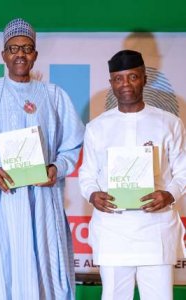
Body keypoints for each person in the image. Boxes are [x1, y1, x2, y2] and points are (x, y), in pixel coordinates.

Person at [0, 18, 84, 299]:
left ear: (35, 54)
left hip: (41, 201)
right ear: (3, 55)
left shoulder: (55, 96)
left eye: (27, 48)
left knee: (43, 265)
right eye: (13, 48)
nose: (20, 54)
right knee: (0, 269)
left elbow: (71, 147)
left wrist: (56, 168)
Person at [79, 50, 186, 300]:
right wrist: (93, 194)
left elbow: (183, 170)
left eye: (132, 77)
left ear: (144, 78)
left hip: (155, 228)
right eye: (119, 79)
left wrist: (169, 195)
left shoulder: (168, 123)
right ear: (111, 83)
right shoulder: (97, 127)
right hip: (113, 228)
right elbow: (86, 174)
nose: (125, 84)